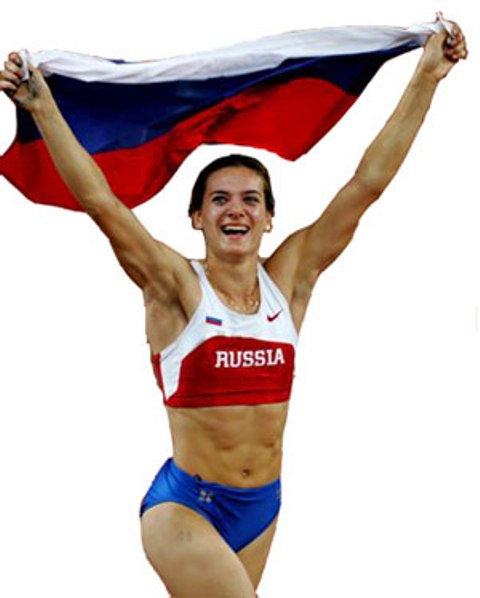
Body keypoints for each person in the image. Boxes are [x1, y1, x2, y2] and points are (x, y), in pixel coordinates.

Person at [0, 23, 467, 598]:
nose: (235, 210)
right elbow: (102, 202)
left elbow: (366, 184)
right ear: (197, 217)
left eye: (250, 199)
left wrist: (426, 78)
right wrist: (43, 109)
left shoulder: (290, 281)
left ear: (269, 218)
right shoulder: (173, 284)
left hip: (262, 505)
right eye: (219, 199)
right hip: (184, 508)